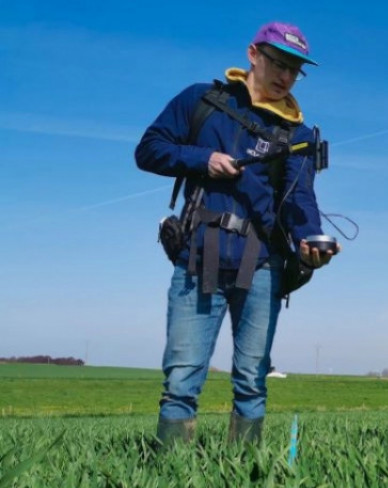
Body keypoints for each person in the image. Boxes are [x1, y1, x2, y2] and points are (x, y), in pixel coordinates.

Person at [135, 21, 334, 449]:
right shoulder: (201, 101)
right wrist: (202, 158)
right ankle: (170, 480)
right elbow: (149, 149)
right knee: (182, 378)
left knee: (251, 379)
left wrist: (310, 240)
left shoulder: (298, 135)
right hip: (197, 257)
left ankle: (244, 479)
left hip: (262, 263)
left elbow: (301, 200)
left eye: (294, 69)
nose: (285, 76)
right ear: (253, 54)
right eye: (278, 63)